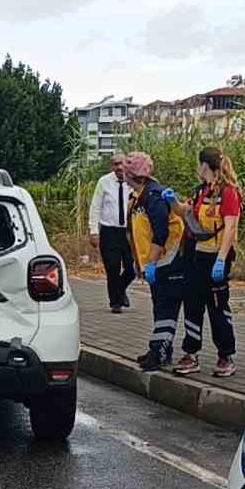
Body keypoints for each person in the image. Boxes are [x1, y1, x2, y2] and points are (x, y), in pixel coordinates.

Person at [173, 146, 242, 378]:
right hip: (196, 256)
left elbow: (230, 226)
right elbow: (187, 212)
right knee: (192, 305)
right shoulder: (202, 190)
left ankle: (226, 355)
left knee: (217, 308)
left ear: (204, 166)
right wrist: (172, 202)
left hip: (215, 257)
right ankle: (191, 353)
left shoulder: (228, 192)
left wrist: (221, 260)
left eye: (199, 164)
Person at [122, 151, 186, 371]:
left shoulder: (154, 196)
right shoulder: (137, 197)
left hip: (169, 260)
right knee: (160, 306)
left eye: (126, 171)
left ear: (133, 175)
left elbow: (161, 233)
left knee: (166, 306)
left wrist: (151, 263)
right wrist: (138, 261)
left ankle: (159, 351)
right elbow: (134, 231)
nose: (123, 175)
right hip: (155, 261)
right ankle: (159, 348)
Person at [89, 154, 136, 313]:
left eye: (122, 163)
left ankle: (120, 289)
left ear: (127, 164)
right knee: (112, 267)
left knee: (132, 268)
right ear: (112, 166)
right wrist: (94, 231)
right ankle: (115, 303)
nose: (119, 167)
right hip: (109, 231)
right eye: (116, 164)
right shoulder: (104, 182)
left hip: (130, 232)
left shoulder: (134, 181)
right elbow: (95, 207)